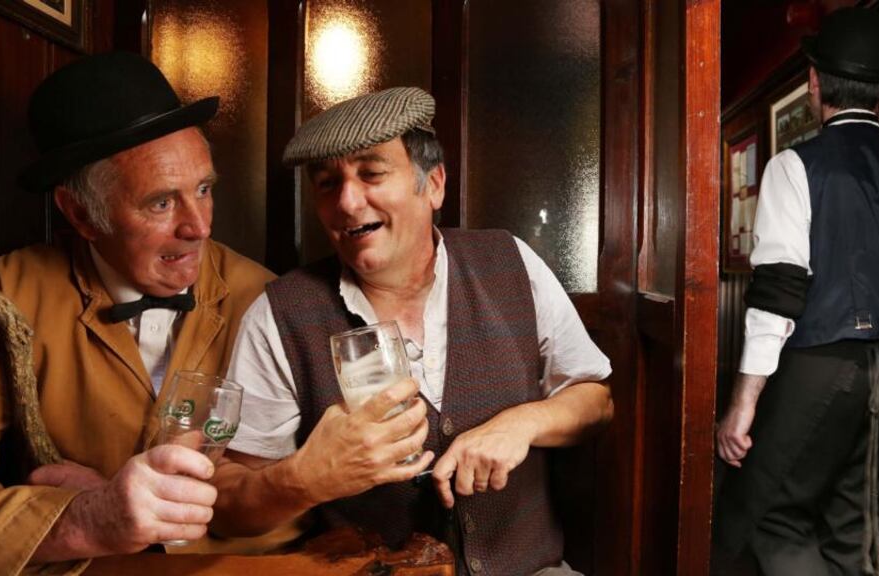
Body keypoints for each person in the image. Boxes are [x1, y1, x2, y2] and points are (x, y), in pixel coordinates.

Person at [211, 87, 614, 575]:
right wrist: (306, 478)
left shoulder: (510, 262)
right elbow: (228, 505)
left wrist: (522, 424)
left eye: (371, 173)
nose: (347, 201)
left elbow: (596, 402)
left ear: (434, 184)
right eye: (327, 183)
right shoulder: (280, 314)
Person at [0, 52, 275, 574]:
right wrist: (89, 520)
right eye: (161, 203)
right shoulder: (1, 300)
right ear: (81, 213)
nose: (199, 227)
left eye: (203, 190)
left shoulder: (268, 298)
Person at [713, 8, 879, 576]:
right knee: (857, 530)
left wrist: (743, 404)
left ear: (815, 82)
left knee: (772, 517)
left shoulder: (794, 167)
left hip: (817, 367)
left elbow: (779, 290)